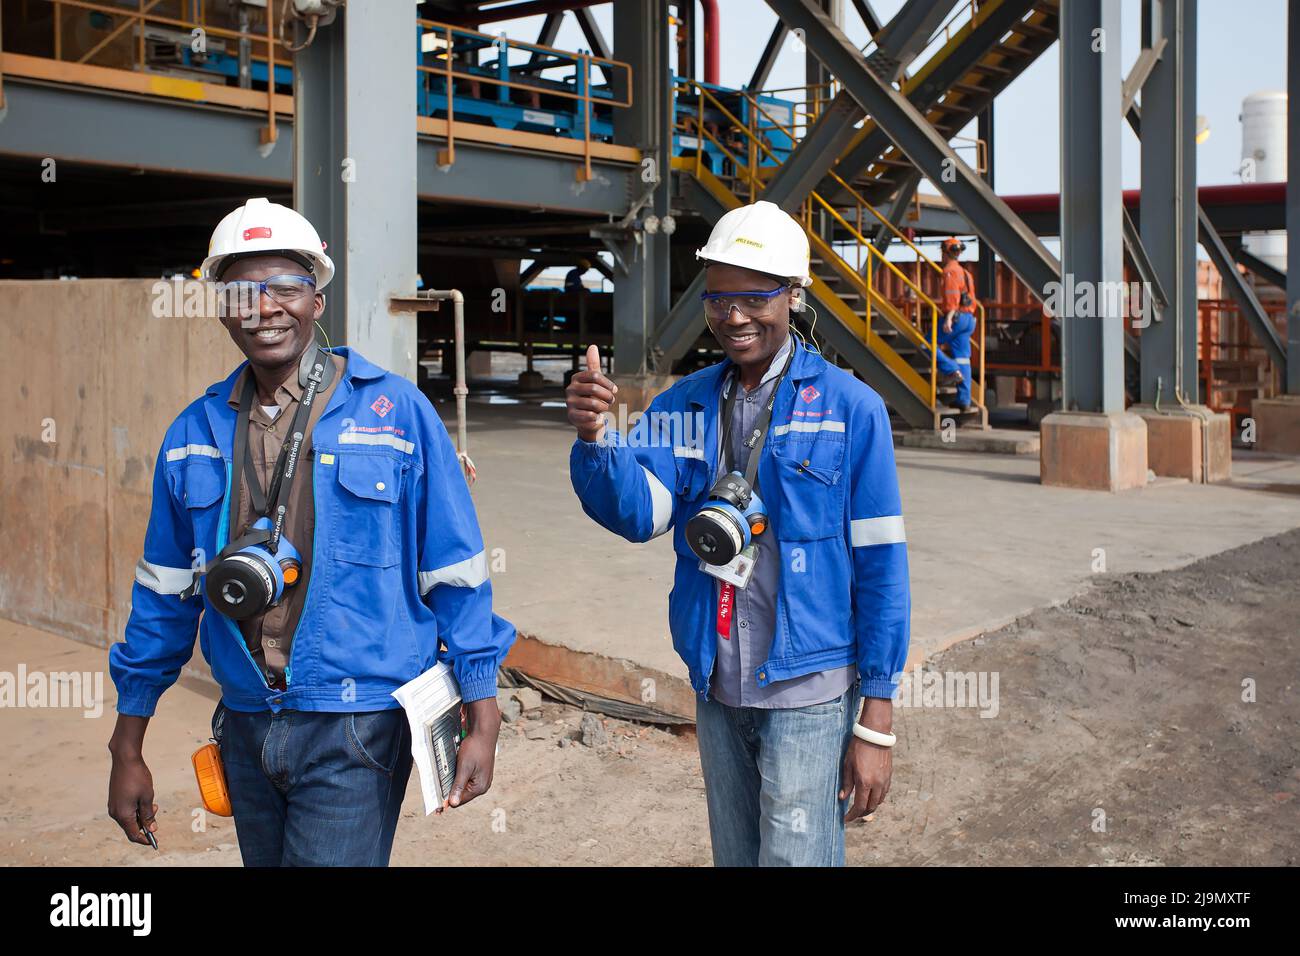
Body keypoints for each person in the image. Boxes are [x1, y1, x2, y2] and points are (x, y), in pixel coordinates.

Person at [107, 198, 514, 866]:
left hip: (358, 725)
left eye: (286, 290)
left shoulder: (395, 413)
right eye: (242, 292)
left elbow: (456, 570)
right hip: (244, 723)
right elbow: (163, 596)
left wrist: (483, 708)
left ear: (316, 301)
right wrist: (127, 746)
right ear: (220, 306)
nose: (264, 308)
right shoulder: (193, 435)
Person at [565, 200, 911, 866]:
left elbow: (882, 568)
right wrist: (595, 440)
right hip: (719, 683)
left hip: (808, 689)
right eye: (719, 300)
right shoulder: (684, 404)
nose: (734, 317)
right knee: (738, 858)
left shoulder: (850, 410)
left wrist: (878, 720)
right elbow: (643, 512)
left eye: (754, 298)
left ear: (792, 295)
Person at [936, 236, 979, 413]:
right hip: (969, 319)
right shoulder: (966, 272)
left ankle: (952, 370)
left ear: (946, 252)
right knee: (963, 358)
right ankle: (964, 400)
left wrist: (948, 318)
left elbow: (952, 297)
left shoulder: (950, 271)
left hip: (956, 318)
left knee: (925, 344)